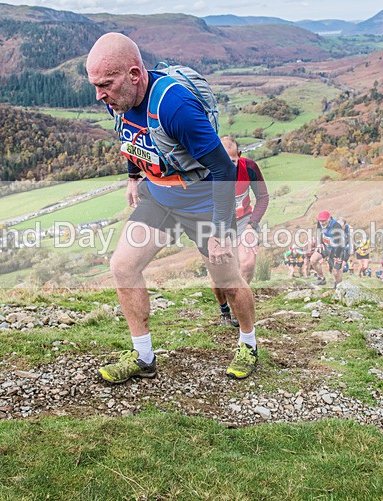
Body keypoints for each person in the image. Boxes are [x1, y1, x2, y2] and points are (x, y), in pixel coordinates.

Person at [86, 33, 258, 382]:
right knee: (122, 266)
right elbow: (130, 137)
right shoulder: (116, 98)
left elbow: (225, 168)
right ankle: (143, 356)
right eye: (95, 85)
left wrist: (223, 229)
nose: (99, 95)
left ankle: (248, 342)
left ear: (134, 75)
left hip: (202, 201)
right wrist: (134, 176)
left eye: (105, 84)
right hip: (160, 197)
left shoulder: (174, 107)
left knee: (226, 278)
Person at [211, 136, 269, 327]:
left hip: (244, 220)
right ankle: (224, 310)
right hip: (217, 224)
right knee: (218, 275)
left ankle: (239, 305)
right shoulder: (206, 171)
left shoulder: (250, 167)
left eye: (233, 161)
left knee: (247, 263)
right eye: (224, 160)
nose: (229, 166)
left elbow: (263, 197)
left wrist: (252, 225)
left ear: (240, 156)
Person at [308, 210, 349, 288]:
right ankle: (321, 278)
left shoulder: (336, 226)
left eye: (324, 221)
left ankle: (338, 286)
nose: (322, 223)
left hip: (337, 249)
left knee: (336, 271)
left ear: (329, 218)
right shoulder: (319, 223)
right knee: (313, 260)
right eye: (321, 221)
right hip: (326, 247)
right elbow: (319, 231)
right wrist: (319, 243)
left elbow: (341, 244)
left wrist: (337, 257)